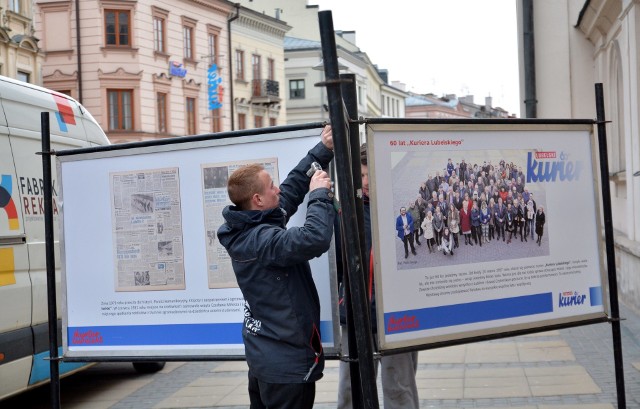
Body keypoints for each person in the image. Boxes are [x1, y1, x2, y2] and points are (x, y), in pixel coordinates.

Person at [217, 125, 335, 409]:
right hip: (286, 368)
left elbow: (292, 189)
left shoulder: (252, 224)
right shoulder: (262, 240)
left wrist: (323, 149)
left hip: (266, 361)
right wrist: (319, 195)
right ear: (257, 200)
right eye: (271, 186)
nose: (277, 188)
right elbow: (314, 239)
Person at [337, 143, 419, 409]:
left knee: (400, 390)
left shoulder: (400, 207)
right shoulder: (345, 212)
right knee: (352, 391)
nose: (366, 182)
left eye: (370, 174)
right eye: (360, 175)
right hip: (355, 314)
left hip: (398, 316)